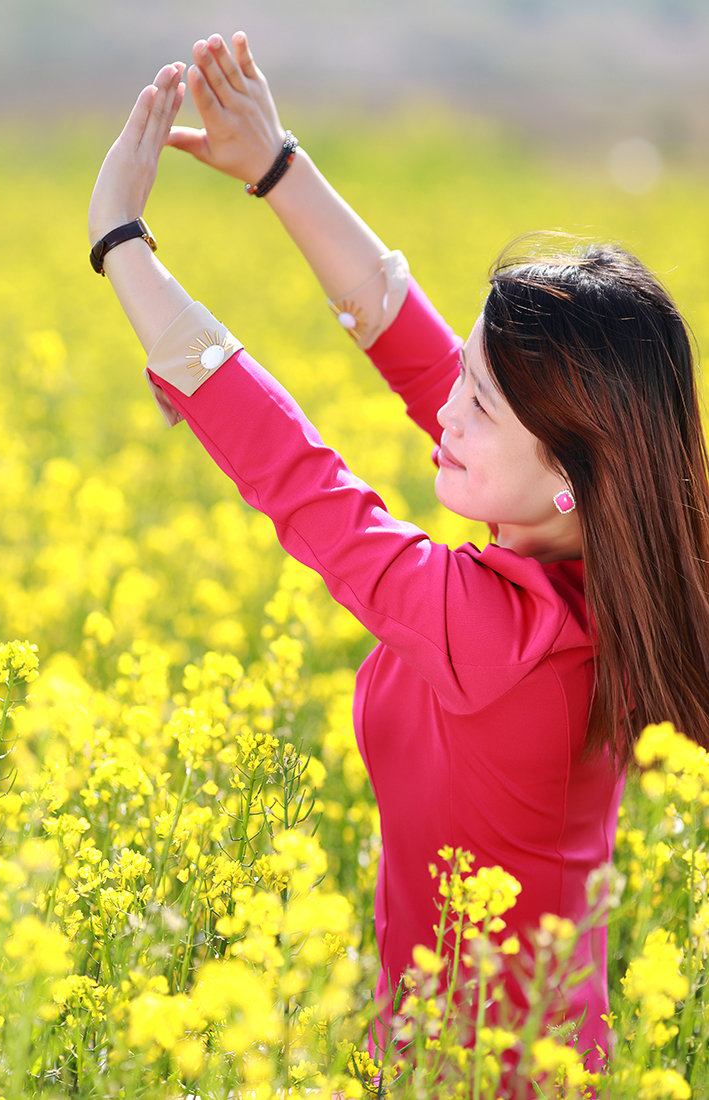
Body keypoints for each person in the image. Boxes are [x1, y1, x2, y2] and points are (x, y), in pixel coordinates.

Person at [88, 34, 709, 1083]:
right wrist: (275, 165)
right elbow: (391, 319)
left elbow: (302, 481)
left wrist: (121, 244)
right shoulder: (603, 553)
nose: (446, 411)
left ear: (565, 469)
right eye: (463, 379)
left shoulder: (503, 635)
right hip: (460, 1055)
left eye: (477, 403)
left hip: (478, 1074)